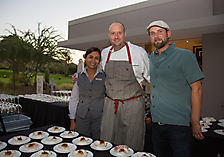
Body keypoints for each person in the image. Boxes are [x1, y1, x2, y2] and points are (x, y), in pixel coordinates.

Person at [72, 22, 150, 151]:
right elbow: (96, 70)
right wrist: (79, 75)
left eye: (119, 32)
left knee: (133, 141)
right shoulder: (105, 53)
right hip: (111, 105)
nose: (116, 36)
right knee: (108, 141)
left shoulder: (138, 52)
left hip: (132, 105)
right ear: (109, 35)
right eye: (113, 33)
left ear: (125, 34)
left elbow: (151, 77)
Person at [146, 20, 204, 157]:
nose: (156, 36)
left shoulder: (185, 55)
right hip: (156, 125)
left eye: (160, 31)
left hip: (179, 127)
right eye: (152, 33)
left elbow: (197, 89)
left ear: (168, 34)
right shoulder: (149, 59)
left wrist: (195, 122)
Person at [69, 47, 106, 139]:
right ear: (85, 58)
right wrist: (72, 121)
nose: (93, 60)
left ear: (99, 61)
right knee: (82, 142)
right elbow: (74, 98)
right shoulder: (78, 76)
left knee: (98, 144)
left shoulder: (104, 76)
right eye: (90, 57)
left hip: (99, 117)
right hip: (82, 117)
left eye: (96, 58)